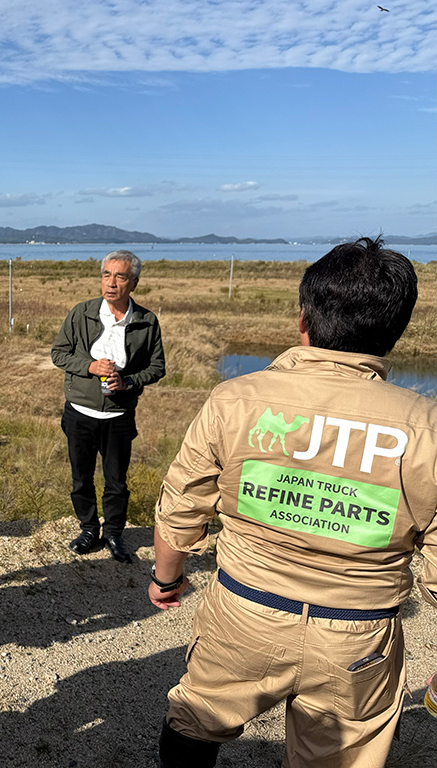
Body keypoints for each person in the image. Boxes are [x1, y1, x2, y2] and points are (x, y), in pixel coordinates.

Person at [149, 237, 437, 768]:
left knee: (196, 720)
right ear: (394, 331)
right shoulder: (427, 428)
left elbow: (181, 506)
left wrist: (167, 579)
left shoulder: (236, 399)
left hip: (244, 608)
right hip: (359, 636)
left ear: (303, 318)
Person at [51, 250, 165, 563]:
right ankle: (88, 529)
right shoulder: (81, 313)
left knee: (117, 481)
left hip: (118, 416)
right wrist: (90, 367)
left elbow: (157, 368)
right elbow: (59, 354)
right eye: (106, 275)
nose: (111, 283)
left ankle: (114, 534)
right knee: (81, 478)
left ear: (134, 283)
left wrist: (128, 382)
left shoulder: (146, 322)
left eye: (120, 276)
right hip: (80, 413)